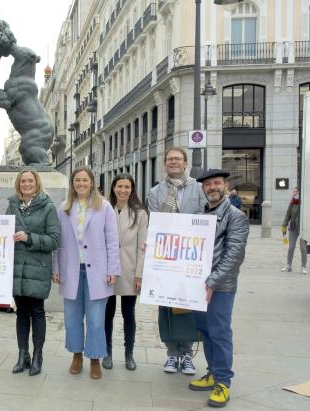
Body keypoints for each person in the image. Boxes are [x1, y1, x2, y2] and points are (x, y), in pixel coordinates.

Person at [188, 169, 249, 408]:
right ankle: (213, 372)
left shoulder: (235, 216)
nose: (212, 187)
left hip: (220, 287)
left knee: (220, 332)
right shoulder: (200, 214)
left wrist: (212, 282)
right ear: (203, 189)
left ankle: (223, 382)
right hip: (197, 285)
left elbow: (234, 255)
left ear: (225, 186)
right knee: (205, 330)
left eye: (216, 183)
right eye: (208, 185)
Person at [52, 166, 120, 380]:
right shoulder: (64, 207)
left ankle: (95, 358)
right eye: (77, 180)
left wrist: (113, 270)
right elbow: (58, 241)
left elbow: (112, 241)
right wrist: (56, 269)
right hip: (71, 269)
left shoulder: (105, 207)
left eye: (85, 180)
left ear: (92, 182)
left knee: (96, 320)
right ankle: (77, 355)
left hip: (98, 271)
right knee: (72, 318)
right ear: (72, 184)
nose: (81, 184)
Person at [147, 147, 206, 375]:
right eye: (170, 159)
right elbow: (155, 221)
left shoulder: (198, 189)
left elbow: (204, 216)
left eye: (177, 159)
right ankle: (172, 354)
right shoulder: (155, 192)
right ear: (164, 163)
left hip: (191, 256)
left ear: (185, 163)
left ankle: (187, 354)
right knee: (167, 307)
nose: (173, 162)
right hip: (166, 256)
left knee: (188, 307)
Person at [5, 169, 60, 376]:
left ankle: (38, 355)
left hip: (38, 268)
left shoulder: (48, 207)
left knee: (37, 312)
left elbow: (55, 239)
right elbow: (3, 230)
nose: (26, 184)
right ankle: (23, 354)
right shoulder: (12, 205)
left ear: (37, 184)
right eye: (23, 181)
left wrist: (29, 238)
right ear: (18, 184)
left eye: (30, 181)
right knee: (21, 313)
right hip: (17, 267)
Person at [103, 173, 148, 371]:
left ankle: (129, 353)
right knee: (107, 314)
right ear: (113, 188)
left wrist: (140, 274)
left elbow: (142, 247)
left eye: (127, 187)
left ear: (132, 189)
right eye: (119, 186)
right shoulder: (104, 209)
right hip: (108, 269)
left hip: (130, 270)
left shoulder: (140, 213)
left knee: (129, 314)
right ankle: (107, 352)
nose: (123, 190)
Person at [281, 187, 307, 274]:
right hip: (293, 227)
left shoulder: (305, 201)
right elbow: (288, 213)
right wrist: (284, 225)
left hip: (303, 228)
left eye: (296, 191)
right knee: (291, 247)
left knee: (303, 248)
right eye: (294, 191)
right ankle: (289, 265)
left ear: (300, 192)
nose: (294, 192)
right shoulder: (293, 201)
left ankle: (303, 266)